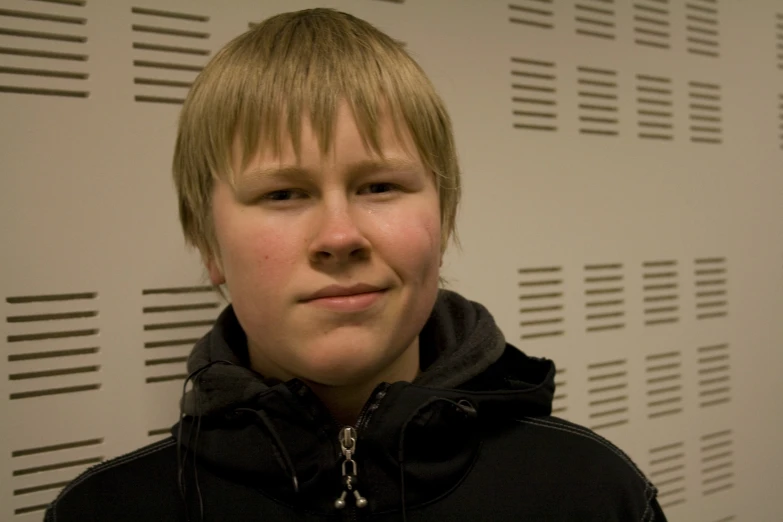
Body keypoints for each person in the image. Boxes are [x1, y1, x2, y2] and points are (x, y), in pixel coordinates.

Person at [46, 8, 666, 522]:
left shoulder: (593, 494)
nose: (339, 236)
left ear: (444, 222)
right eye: (282, 194)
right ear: (209, 246)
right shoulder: (102, 514)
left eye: (379, 187)